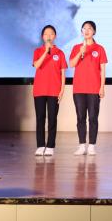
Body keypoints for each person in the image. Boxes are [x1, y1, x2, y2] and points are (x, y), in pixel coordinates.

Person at [69, 20, 106, 156]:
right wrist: (80, 52)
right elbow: (72, 64)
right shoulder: (76, 47)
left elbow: (103, 70)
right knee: (80, 117)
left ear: (94, 31)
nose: (86, 31)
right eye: (84, 28)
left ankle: (92, 146)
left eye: (89, 28)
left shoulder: (99, 48)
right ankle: (81, 146)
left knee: (93, 117)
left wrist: (102, 87)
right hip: (79, 89)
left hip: (94, 88)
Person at [32, 24, 67, 157]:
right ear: (42, 37)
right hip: (39, 90)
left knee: (52, 118)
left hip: (54, 90)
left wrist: (62, 90)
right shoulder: (38, 51)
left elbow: (63, 73)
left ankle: (50, 146)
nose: (49, 36)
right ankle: (40, 145)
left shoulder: (60, 53)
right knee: (40, 118)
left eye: (51, 34)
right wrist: (46, 52)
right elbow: (37, 65)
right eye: (46, 34)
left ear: (55, 36)